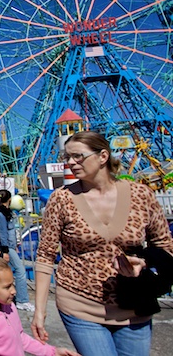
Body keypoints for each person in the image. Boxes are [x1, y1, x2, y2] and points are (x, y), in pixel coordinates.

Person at [31, 131, 173, 356]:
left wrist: (143, 263)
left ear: (103, 156)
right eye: (66, 157)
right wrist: (40, 311)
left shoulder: (141, 195)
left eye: (78, 156)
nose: (70, 163)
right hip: (80, 303)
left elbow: (164, 244)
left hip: (134, 303)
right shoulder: (61, 199)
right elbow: (46, 254)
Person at [0, 254, 79, 356]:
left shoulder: (9, 307)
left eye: (12, 284)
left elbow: (20, 338)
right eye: (7, 287)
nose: (14, 291)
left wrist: (52, 352)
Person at [0, 189, 35, 312]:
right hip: (6, 248)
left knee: (3, 272)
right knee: (20, 271)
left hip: (10, 246)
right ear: (10, 199)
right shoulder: (1, 214)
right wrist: (5, 251)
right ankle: (22, 300)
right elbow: (2, 233)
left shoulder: (6, 212)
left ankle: (0, 296)